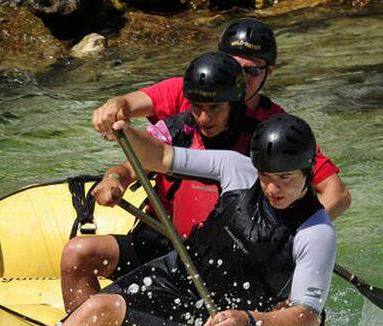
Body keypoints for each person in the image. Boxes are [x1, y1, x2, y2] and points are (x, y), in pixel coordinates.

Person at [61, 114, 336, 326]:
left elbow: (306, 317)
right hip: (172, 276)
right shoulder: (237, 169)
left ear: (308, 170)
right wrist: (125, 131)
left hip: (216, 319)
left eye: (285, 178)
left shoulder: (315, 231)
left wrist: (250, 321)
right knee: (91, 308)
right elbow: (160, 155)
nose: (272, 189)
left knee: (99, 309)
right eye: (265, 175)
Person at [90, 18, 351, 219]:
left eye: (253, 70)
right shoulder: (188, 90)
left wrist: (292, 238)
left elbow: (336, 193)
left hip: (232, 242)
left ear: (269, 72)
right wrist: (113, 109)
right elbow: (126, 109)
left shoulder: (275, 127)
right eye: (233, 64)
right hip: (166, 230)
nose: (241, 76)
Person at [61, 52, 253, 313]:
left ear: (235, 104)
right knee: (77, 254)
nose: (205, 118)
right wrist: (114, 179)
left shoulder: (256, 142)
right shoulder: (176, 129)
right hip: (164, 240)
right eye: (197, 107)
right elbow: (130, 168)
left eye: (215, 108)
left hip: (219, 261)